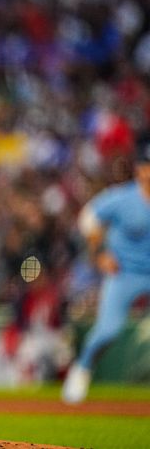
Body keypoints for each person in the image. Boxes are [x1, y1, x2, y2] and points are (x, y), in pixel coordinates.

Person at [62, 132, 150, 404]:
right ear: (139, 168)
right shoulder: (123, 198)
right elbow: (88, 219)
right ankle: (83, 368)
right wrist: (99, 253)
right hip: (125, 272)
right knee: (108, 329)